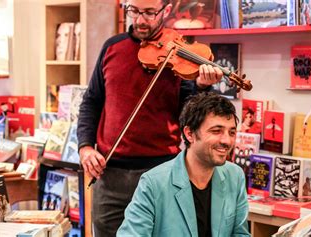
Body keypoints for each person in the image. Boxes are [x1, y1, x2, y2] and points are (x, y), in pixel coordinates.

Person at [76, 0, 223, 235]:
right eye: (134, 11)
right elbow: (91, 101)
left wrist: (202, 87)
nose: (141, 20)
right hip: (110, 173)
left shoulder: (179, 54)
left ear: (165, 11)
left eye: (149, 13)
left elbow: (189, 116)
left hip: (161, 172)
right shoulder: (112, 47)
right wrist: (85, 147)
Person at [117, 92, 249, 236]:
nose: (227, 141)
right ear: (189, 134)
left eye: (231, 132)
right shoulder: (153, 183)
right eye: (217, 131)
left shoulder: (235, 176)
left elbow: (240, 234)